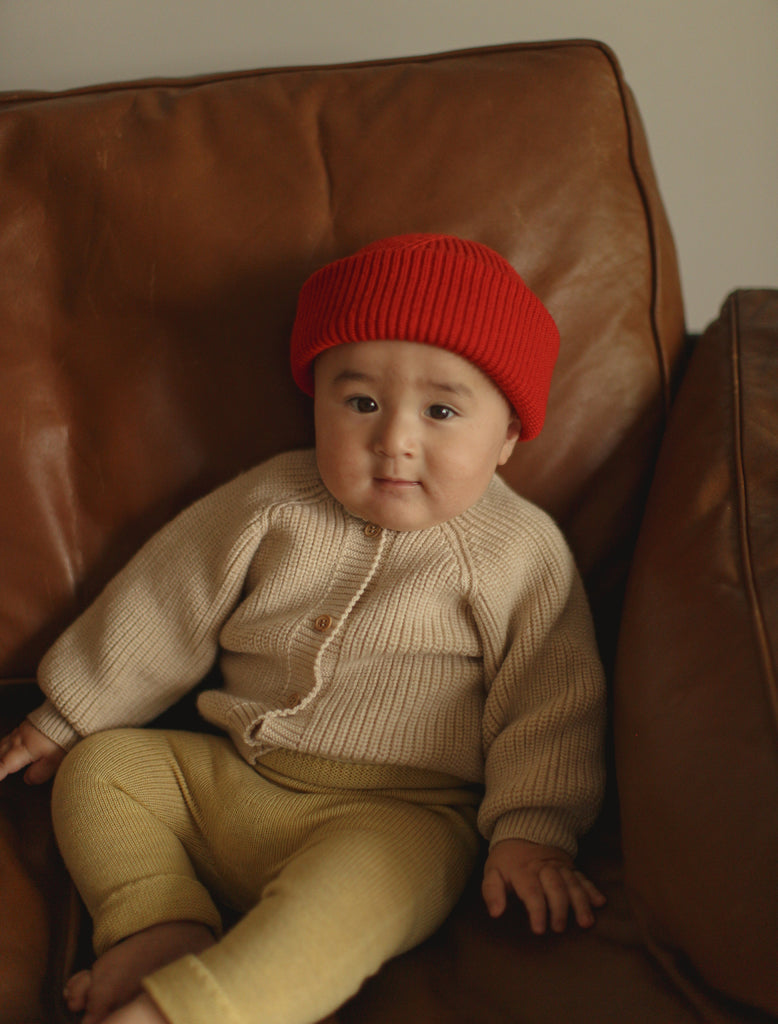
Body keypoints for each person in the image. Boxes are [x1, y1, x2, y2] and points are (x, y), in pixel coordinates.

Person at [0, 234, 607, 1024]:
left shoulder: (518, 553)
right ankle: (158, 924)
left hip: (399, 817)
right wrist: (72, 711)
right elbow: (166, 602)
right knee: (106, 767)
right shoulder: (270, 503)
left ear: (508, 439)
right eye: (360, 402)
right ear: (314, 400)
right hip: (235, 779)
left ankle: (193, 1011)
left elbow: (550, 700)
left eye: (443, 410)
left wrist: (532, 829)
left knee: (344, 908)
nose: (394, 439)